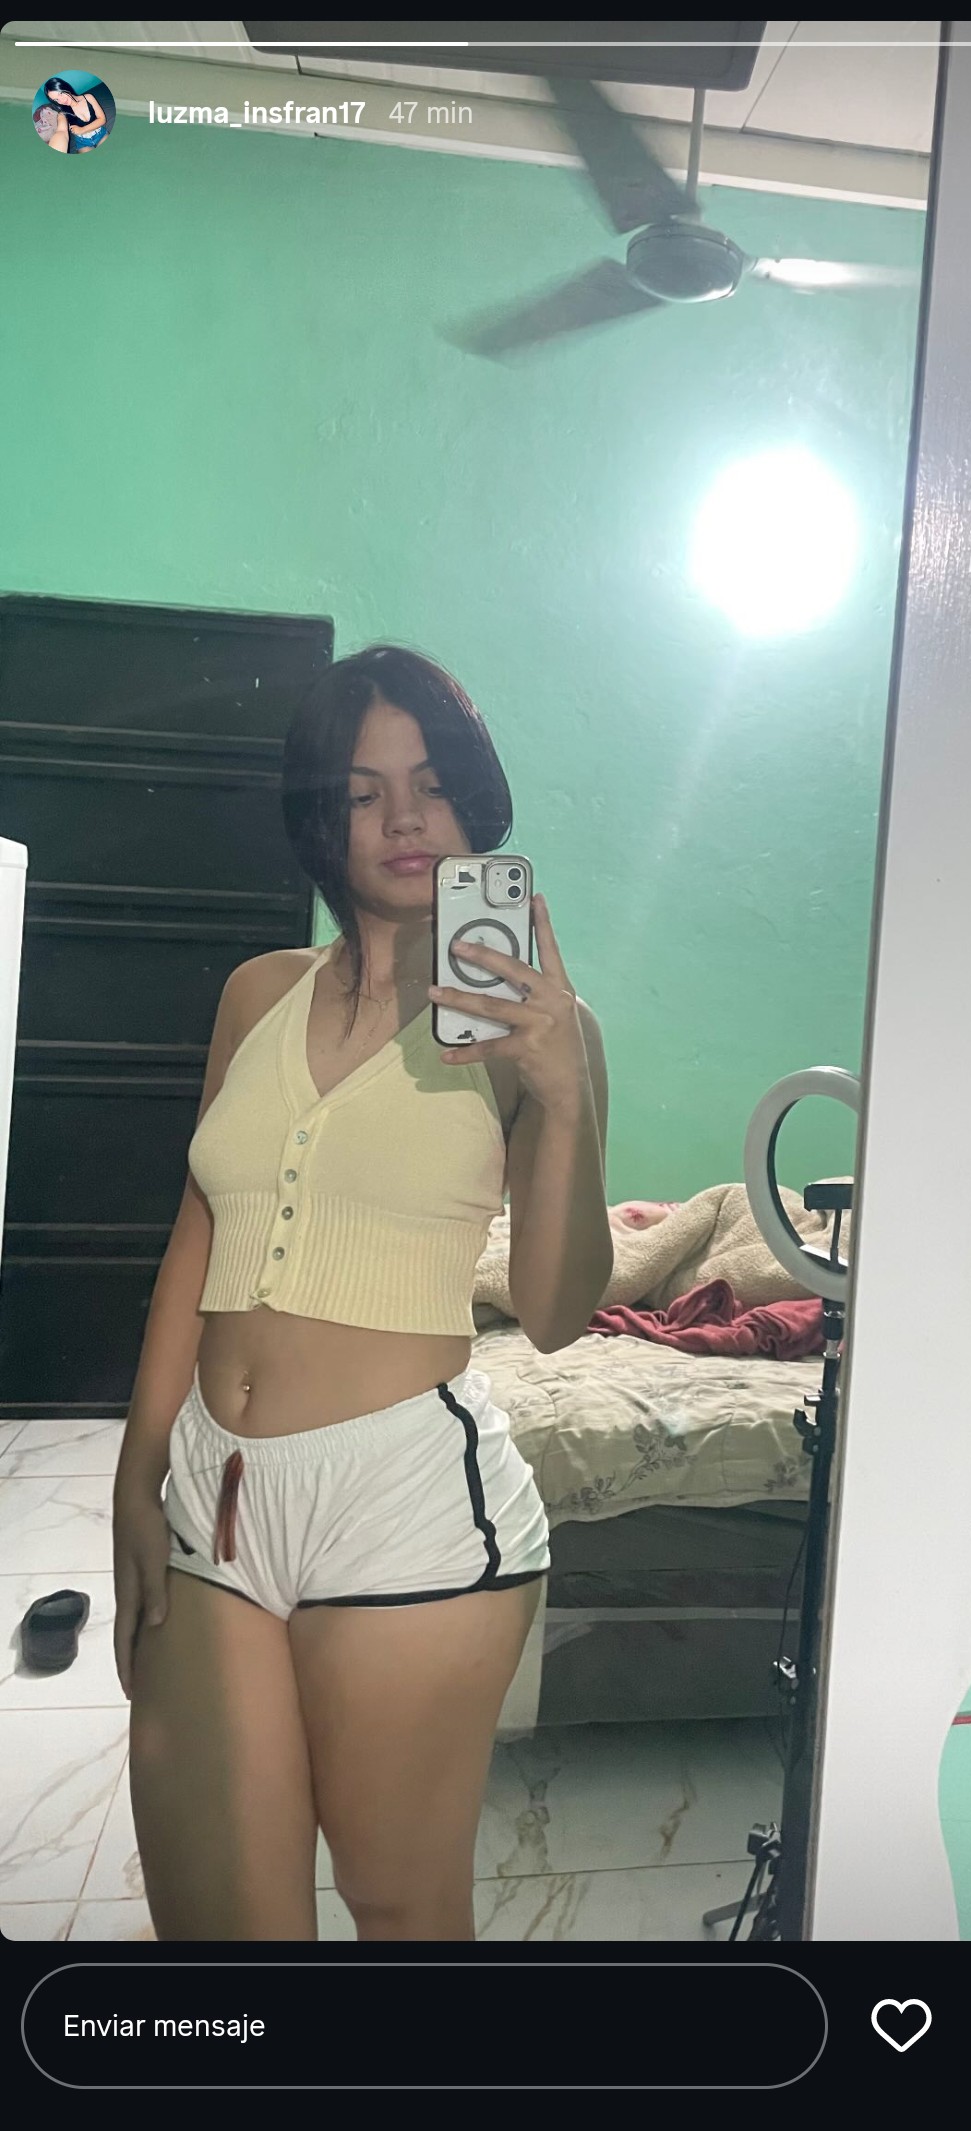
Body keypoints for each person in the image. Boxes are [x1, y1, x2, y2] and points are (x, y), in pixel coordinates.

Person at [112, 643, 613, 1941]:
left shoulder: (540, 1029)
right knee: (222, 1929)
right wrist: (136, 1470)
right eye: (361, 791)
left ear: (475, 802)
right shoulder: (256, 993)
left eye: (432, 783)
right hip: (217, 1490)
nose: (402, 818)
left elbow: (557, 1309)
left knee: (400, 1910)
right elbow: (199, 1233)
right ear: (320, 817)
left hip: (407, 1505)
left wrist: (562, 1098)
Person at [42, 78, 109, 153]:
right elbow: (61, 131)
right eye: (56, 99)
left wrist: (82, 129)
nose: (61, 100)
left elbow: (102, 119)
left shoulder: (88, 97)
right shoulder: (62, 113)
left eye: (60, 93)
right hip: (82, 142)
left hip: (100, 134)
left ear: (66, 87)